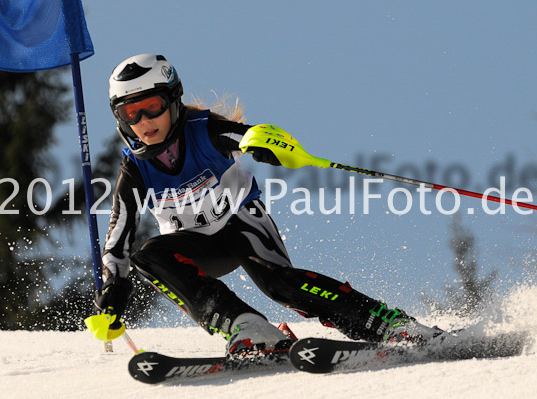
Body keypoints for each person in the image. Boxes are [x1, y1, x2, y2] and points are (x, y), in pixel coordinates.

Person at [91, 53, 444, 354]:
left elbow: (246, 135)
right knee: (148, 257)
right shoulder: (134, 168)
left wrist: (266, 143)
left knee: (279, 284)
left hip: (241, 224)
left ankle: (388, 324)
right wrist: (112, 288)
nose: (143, 122)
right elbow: (118, 239)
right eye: (130, 113)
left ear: (172, 100)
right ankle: (247, 328)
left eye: (151, 107)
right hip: (196, 246)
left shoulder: (202, 129)